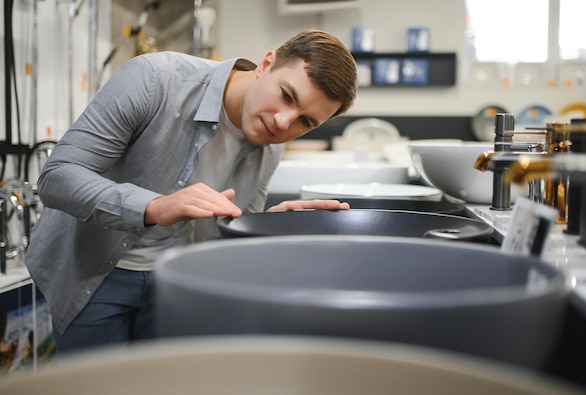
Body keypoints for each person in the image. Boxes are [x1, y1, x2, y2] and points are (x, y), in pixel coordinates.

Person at [25, 29, 358, 354]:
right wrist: (152, 207)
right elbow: (58, 175)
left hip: (175, 282)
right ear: (266, 63)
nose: (284, 123)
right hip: (93, 272)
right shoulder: (156, 79)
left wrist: (264, 227)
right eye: (286, 95)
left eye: (305, 122)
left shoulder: (271, 147)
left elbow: (223, 239)